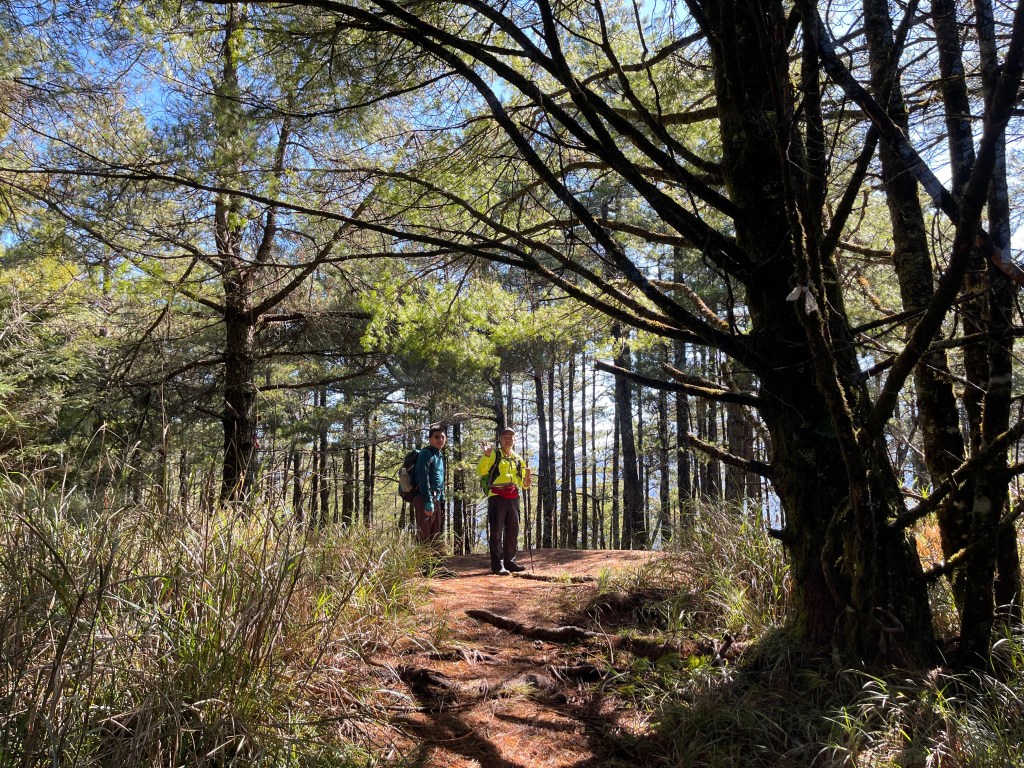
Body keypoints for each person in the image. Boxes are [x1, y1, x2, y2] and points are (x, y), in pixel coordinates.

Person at [477, 427, 531, 576]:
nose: (508, 439)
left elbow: (523, 482)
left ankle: (510, 562)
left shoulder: (518, 459)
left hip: (513, 496)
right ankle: (497, 565)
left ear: (515, 440)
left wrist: (526, 482)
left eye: (511, 437)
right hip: (496, 496)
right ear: (500, 440)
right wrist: (487, 455)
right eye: (505, 437)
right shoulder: (494, 455)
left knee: (513, 530)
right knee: (496, 531)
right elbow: (481, 471)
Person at [413, 425, 448, 573]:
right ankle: (424, 567)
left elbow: (440, 480)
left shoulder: (439, 456)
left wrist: (441, 500)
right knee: (425, 533)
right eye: (437, 437)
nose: (440, 440)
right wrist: (428, 500)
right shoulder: (426, 454)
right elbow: (422, 477)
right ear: (430, 439)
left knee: (435, 534)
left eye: (442, 437)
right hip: (424, 498)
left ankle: (435, 567)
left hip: (436, 499)